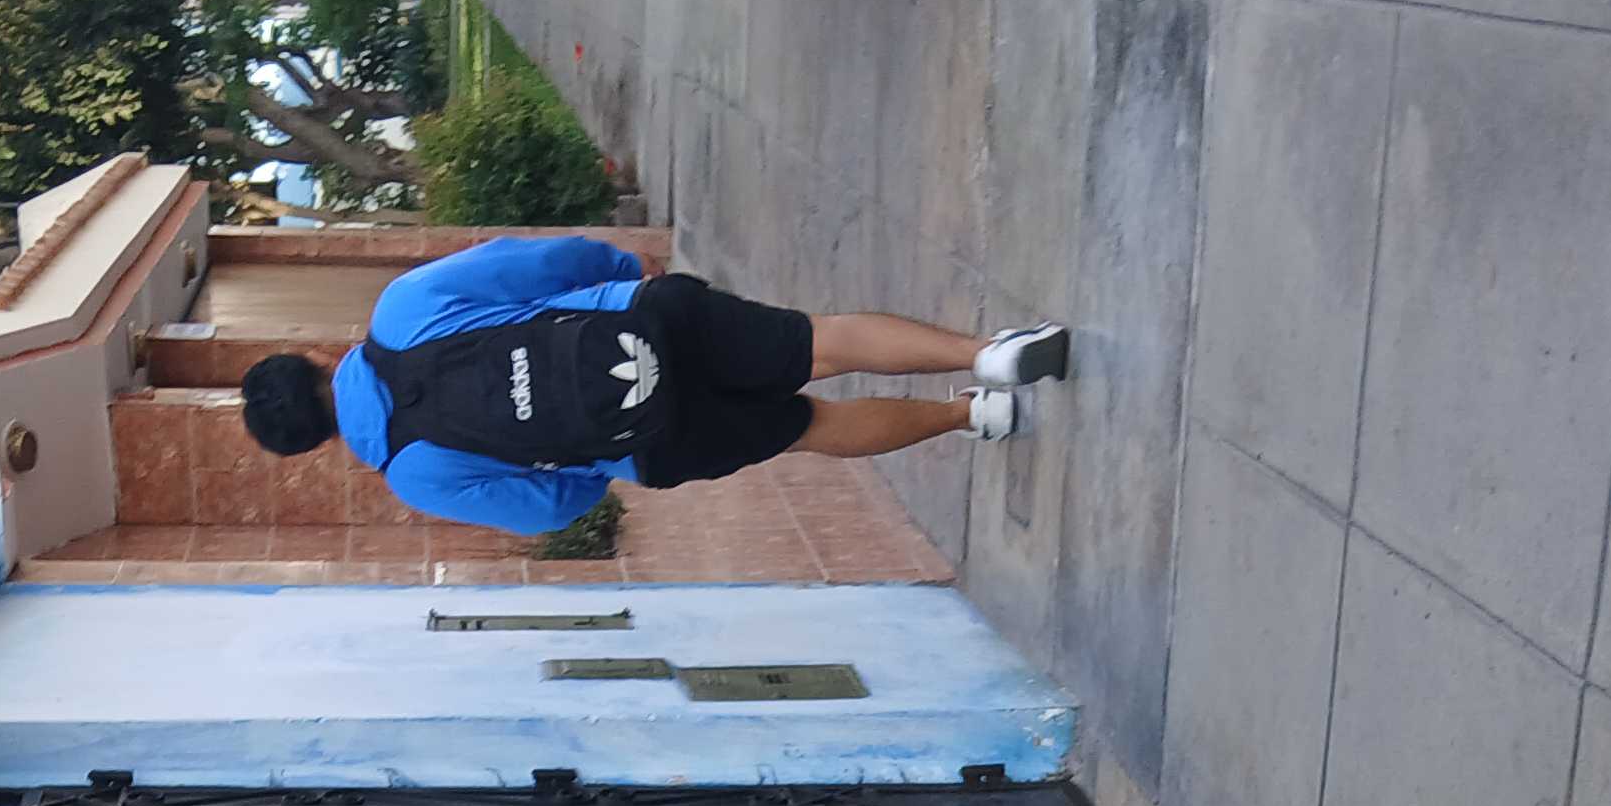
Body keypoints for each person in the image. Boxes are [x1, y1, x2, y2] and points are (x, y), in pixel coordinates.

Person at [235, 235, 1067, 538]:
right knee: (819, 342)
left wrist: (598, 459)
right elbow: (528, 264)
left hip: (651, 442)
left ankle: (970, 418)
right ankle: (986, 352)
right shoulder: (401, 311)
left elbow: (549, 511)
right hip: (641, 322)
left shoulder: (414, 476)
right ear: (313, 362)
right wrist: (620, 267)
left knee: (811, 427)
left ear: (319, 443)